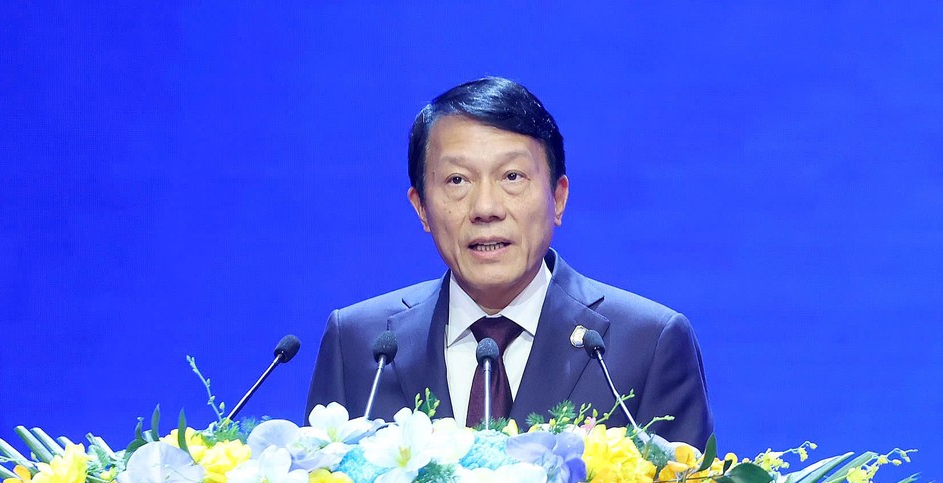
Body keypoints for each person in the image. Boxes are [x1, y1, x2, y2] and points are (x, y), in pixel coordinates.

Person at [306, 76, 714, 446]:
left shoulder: (646, 344)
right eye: (457, 180)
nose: (486, 208)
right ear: (422, 208)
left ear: (558, 198)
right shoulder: (358, 344)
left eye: (512, 177)